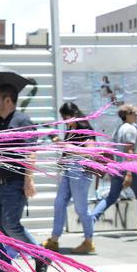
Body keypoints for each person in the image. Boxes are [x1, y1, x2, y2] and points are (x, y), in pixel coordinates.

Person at [0, 84, 47, 272]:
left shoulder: (21, 121)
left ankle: (40, 254)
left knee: (10, 225)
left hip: (14, 183)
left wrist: (29, 179)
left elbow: (31, 152)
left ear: (8, 100)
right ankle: (6, 268)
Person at [89, 104, 137, 235]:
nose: (136, 115)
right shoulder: (130, 129)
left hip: (117, 168)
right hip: (129, 168)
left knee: (111, 197)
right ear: (127, 115)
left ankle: (91, 220)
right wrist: (129, 173)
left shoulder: (118, 129)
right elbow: (129, 150)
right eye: (134, 113)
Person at [43, 102, 97, 254]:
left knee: (81, 208)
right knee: (59, 203)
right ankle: (54, 239)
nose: (65, 120)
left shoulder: (84, 129)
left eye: (66, 117)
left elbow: (91, 152)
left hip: (80, 171)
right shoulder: (71, 129)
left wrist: (70, 148)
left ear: (74, 114)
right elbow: (68, 150)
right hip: (69, 170)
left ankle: (89, 241)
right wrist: (63, 152)